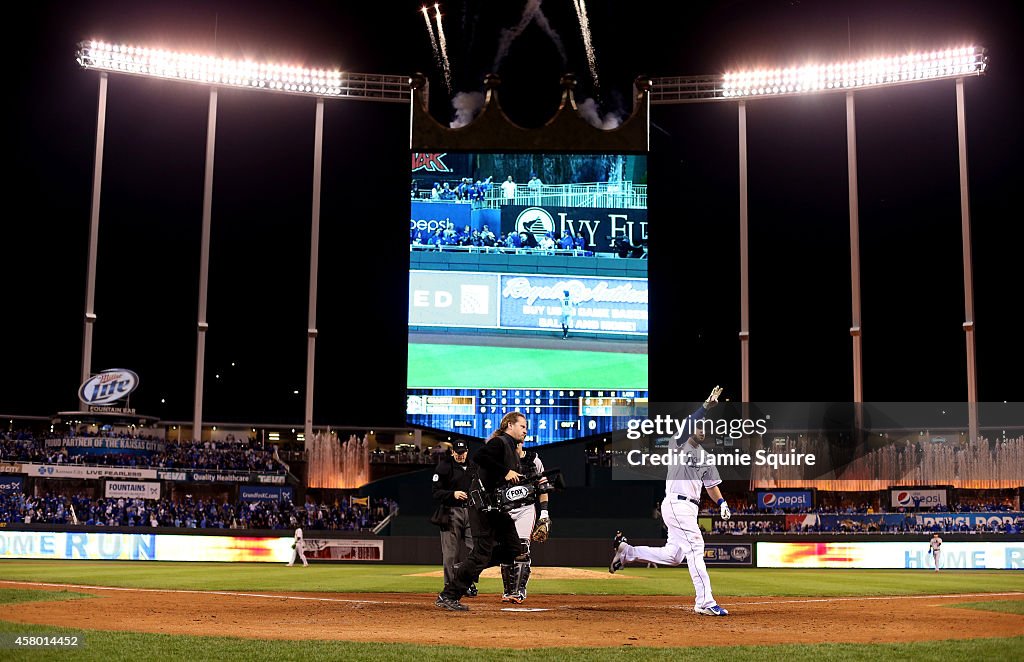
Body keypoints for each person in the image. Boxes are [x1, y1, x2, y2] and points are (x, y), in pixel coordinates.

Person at [609, 386, 731, 616]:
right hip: (677, 504)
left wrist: (722, 503)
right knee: (696, 547)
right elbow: (687, 424)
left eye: (704, 426)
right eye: (698, 425)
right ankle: (704, 601)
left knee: (674, 555)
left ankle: (627, 552)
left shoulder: (706, 457)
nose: (701, 429)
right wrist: (705, 407)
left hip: (690, 508)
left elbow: (712, 487)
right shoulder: (678, 444)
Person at [436, 412, 527, 611]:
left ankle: (465, 567)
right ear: (510, 425)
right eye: (522, 426)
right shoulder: (500, 442)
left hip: (497, 509)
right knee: (481, 554)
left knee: (514, 549)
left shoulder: (512, 449)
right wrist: (506, 472)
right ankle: (449, 595)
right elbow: (479, 456)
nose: (525, 430)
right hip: (483, 508)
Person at [501, 437, 550, 603]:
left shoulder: (533, 460)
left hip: (525, 508)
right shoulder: (501, 462)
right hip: (504, 510)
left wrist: (544, 513)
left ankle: (519, 591)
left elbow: (543, 487)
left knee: (522, 549)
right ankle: (508, 591)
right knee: (506, 551)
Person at [432, 440, 477, 597]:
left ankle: (467, 582)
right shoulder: (444, 467)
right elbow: (436, 493)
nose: (460, 455)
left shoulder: (474, 466)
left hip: (472, 512)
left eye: (463, 452)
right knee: (451, 553)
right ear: (453, 453)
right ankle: (450, 586)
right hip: (451, 512)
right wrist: (453, 494)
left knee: (476, 550)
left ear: (467, 451)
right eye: (457, 452)